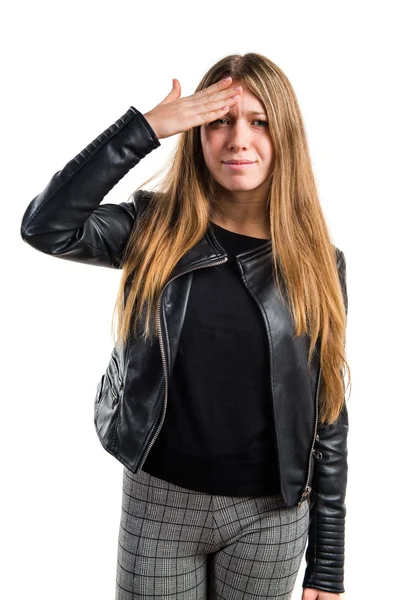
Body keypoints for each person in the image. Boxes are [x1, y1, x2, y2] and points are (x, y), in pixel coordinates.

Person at [20, 52, 350, 600]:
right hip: (160, 501)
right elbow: (46, 226)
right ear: (197, 133)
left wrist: (328, 560)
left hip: (271, 518)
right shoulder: (153, 228)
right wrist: (145, 130)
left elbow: (328, 411)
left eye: (259, 121)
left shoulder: (321, 262)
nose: (238, 139)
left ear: (284, 136)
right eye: (219, 120)